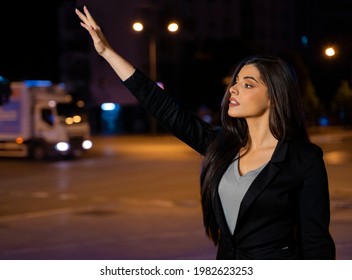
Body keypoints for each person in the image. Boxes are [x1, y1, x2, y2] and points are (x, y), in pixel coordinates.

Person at [75, 6, 336, 260]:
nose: (233, 89)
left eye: (247, 84)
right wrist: (108, 53)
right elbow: (161, 105)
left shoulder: (304, 159)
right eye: (235, 82)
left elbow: (316, 243)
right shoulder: (221, 145)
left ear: (274, 97)